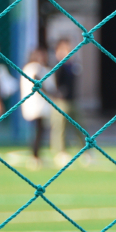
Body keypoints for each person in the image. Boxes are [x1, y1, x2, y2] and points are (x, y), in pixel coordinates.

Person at [49, 38, 82, 167]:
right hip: (60, 101)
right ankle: (60, 152)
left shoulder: (73, 65)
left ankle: (84, 150)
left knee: (79, 126)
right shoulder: (57, 65)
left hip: (72, 100)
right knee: (60, 128)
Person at [20, 48, 53, 170]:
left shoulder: (36, 68)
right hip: (36, 105)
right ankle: (35, 156)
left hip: (38, 105)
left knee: (39, 131)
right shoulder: (33, 67)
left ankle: (36, 155)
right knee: (37, 132)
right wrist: (52, 92)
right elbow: (37, 79)